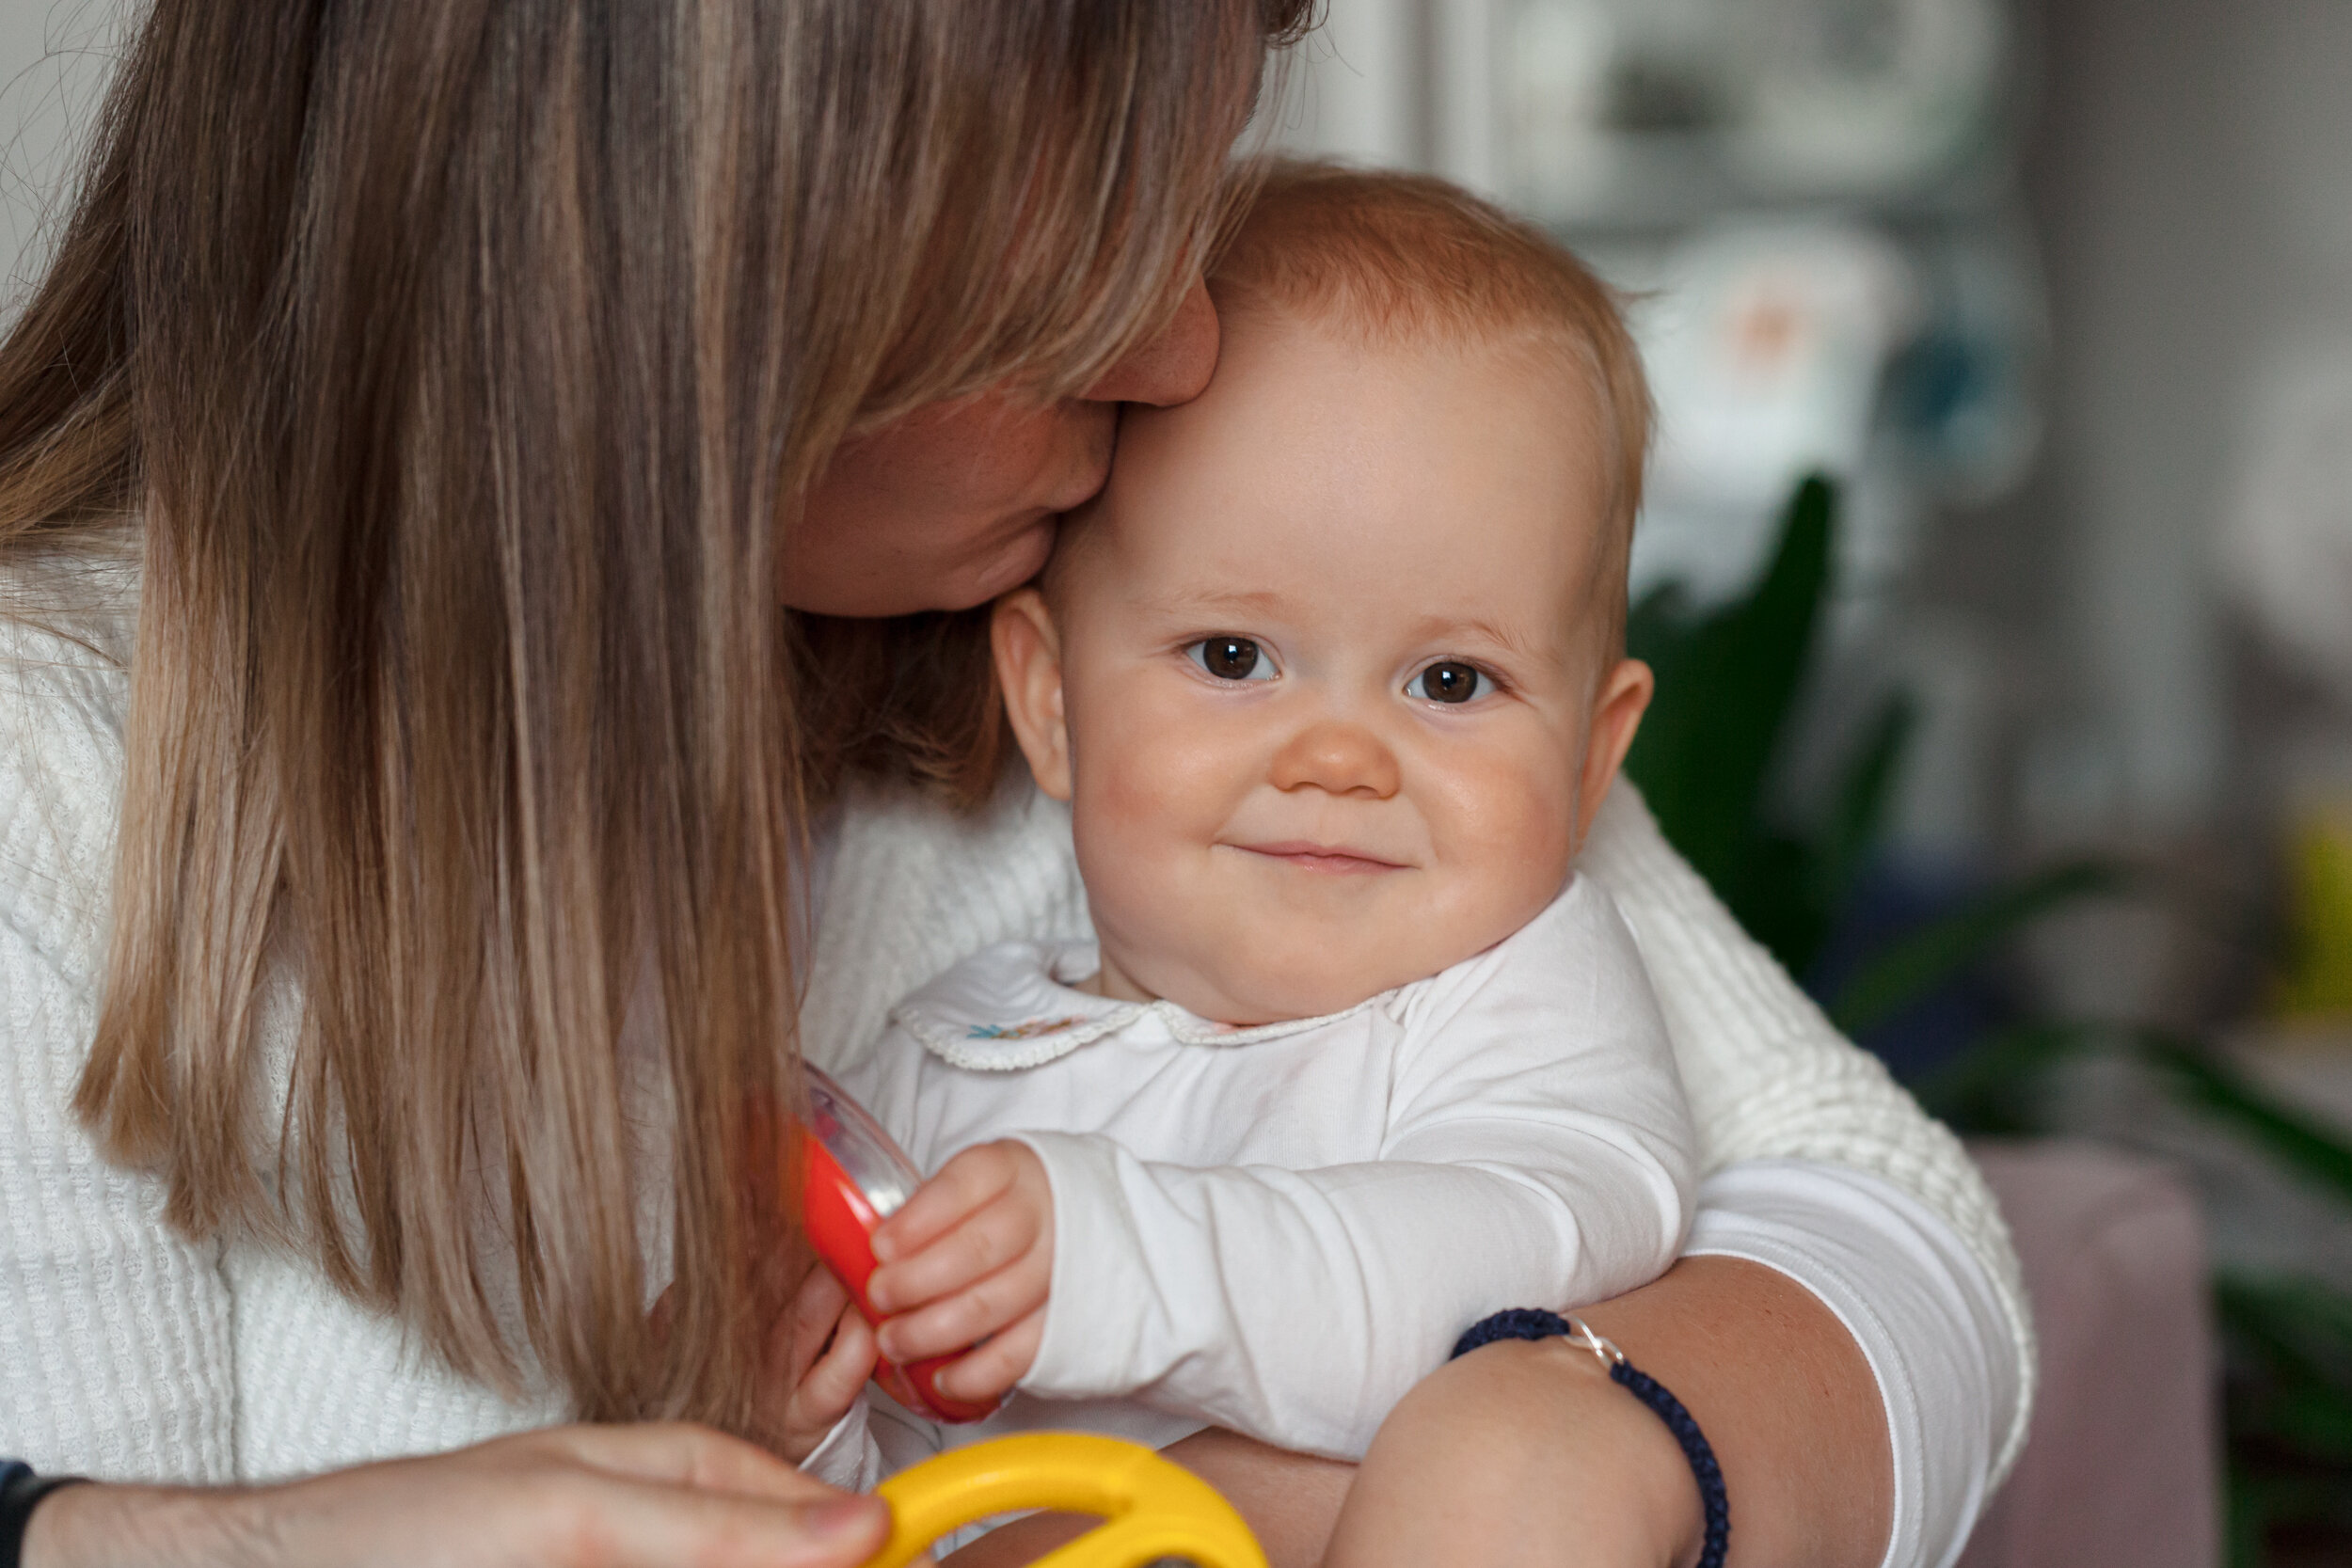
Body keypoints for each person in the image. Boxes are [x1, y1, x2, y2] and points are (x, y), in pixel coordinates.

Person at [0, 3, 2026, 1566]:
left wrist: (1517, 1447)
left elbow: (1889, 1241)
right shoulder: (57, 806)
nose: (1177, 344)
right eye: (1080, 249)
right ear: (709, 271)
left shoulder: (1223, 648)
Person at [776, 165, 1698, 1501]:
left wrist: (1127, 1259)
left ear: (1592, 756)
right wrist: (789, 1413)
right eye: (1231, 654)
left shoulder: (1522, 1005)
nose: (1336, 758)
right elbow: (886, 1486)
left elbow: (1505, 1281)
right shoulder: (941, 1066)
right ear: (1050, 700)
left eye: (1450, 681)